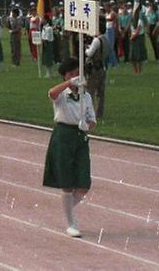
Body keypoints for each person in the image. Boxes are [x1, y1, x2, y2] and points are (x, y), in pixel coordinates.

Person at [43, 57, 96, 238]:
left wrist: (87, 125)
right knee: (66, 183)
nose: (76, 77)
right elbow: (51, 94)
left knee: (83, 185)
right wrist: (68, 83)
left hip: (80, 138)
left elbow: (92, 120)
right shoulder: (62, 95)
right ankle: (71, 222)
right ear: (66, 76)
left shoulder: (86, 97)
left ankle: (66, 209)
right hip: (63, 136)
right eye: (71, 74)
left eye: (77, 74)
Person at [84, 19, 108, 119]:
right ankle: (99, 113)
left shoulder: (97, 40)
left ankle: (89, 113)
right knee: (100, 93)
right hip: (102, 66)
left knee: (90, 91)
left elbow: (89, 53)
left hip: (94, 67)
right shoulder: (106, 39)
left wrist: (86, 48)